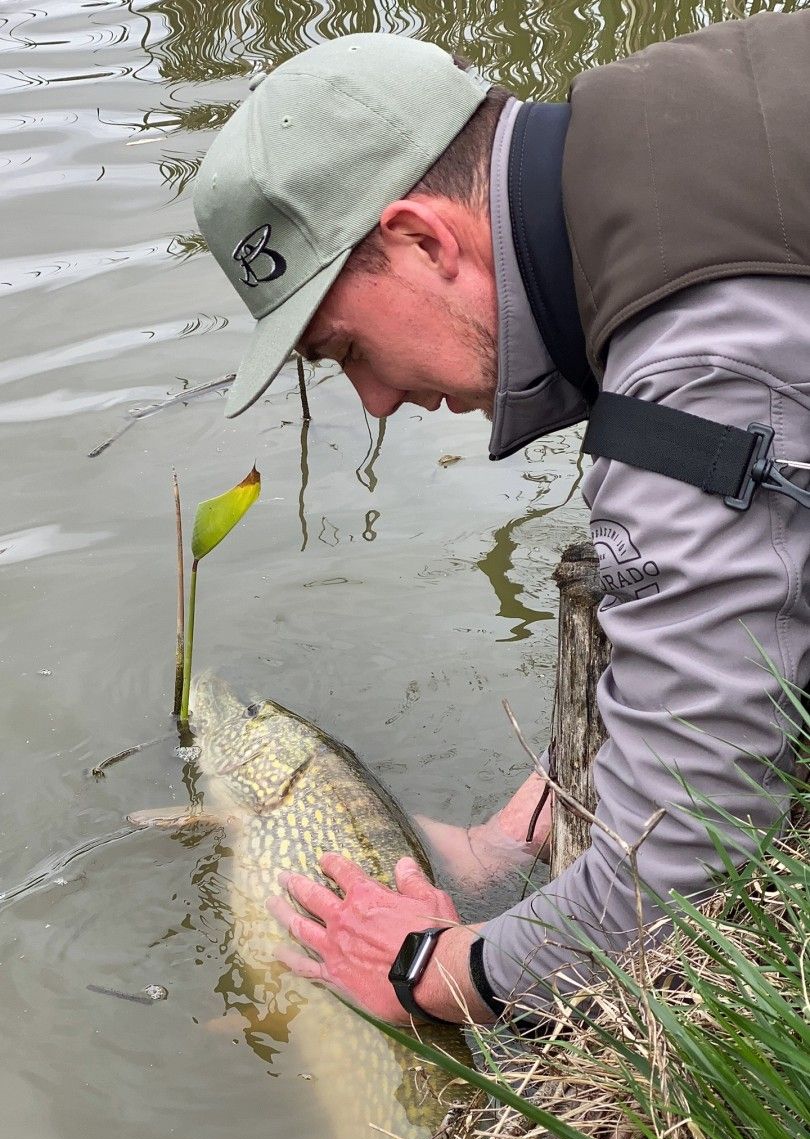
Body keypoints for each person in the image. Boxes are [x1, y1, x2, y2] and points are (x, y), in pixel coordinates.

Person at [193, 17, 810, 1029]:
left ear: (421, 238)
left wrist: (437, 971)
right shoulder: (669, 125)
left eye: (344, 350)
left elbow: (682, 873)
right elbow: (719, 591)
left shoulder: (694, 373)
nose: (378, 403)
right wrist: (515, 835)